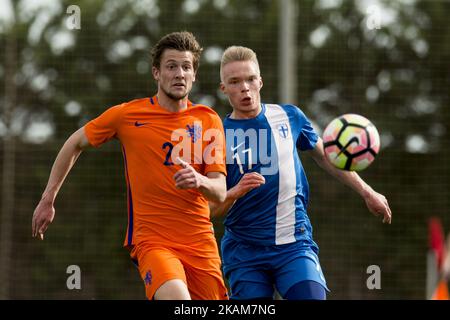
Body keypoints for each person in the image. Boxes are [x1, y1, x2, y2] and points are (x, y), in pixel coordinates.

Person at [32, 31, 229, 300]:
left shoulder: (209, 120)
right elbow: (75, 142)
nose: (179, 74)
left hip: (200, 243)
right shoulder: (127, 115)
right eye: (171, 66)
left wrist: (200, 180)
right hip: (153, 242)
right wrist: (48, 198)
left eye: (186, 67)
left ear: (194, 74)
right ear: (156, 73)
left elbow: (219, 191)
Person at [209, 46, 392, 300]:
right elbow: (209, 209)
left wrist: (367, 191)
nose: (245, 87)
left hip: (294, 245)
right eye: (235, 82)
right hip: (245, 252)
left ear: (260, 81)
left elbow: (327, 157)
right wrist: (234, 192)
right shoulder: (217, 135)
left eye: (251, 79)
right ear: (223, 88)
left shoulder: (289, 116)